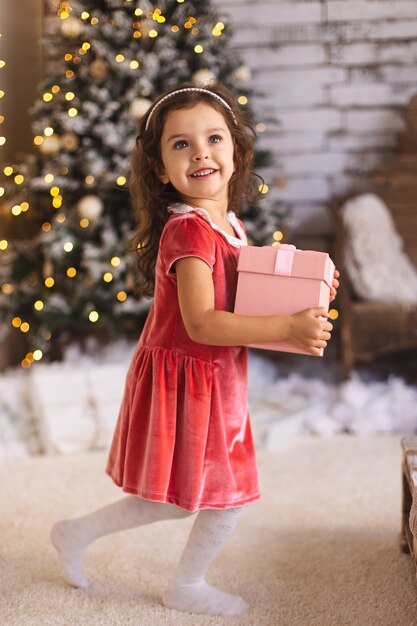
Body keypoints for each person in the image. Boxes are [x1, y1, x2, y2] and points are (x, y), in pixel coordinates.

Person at [50, 83, 339, 616]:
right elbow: (202, 323)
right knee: (225, 497)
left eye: (213, 138)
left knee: (180, 498)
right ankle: (185, 585)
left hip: (215, 377)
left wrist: (308, 293)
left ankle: (73, 534)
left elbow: (245, 293)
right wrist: (287, 327)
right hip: (188, 379)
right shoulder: (188, 233)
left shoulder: (227, 225)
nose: (201, 152)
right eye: (180, 145)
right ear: (161, 170)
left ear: (236, 153)